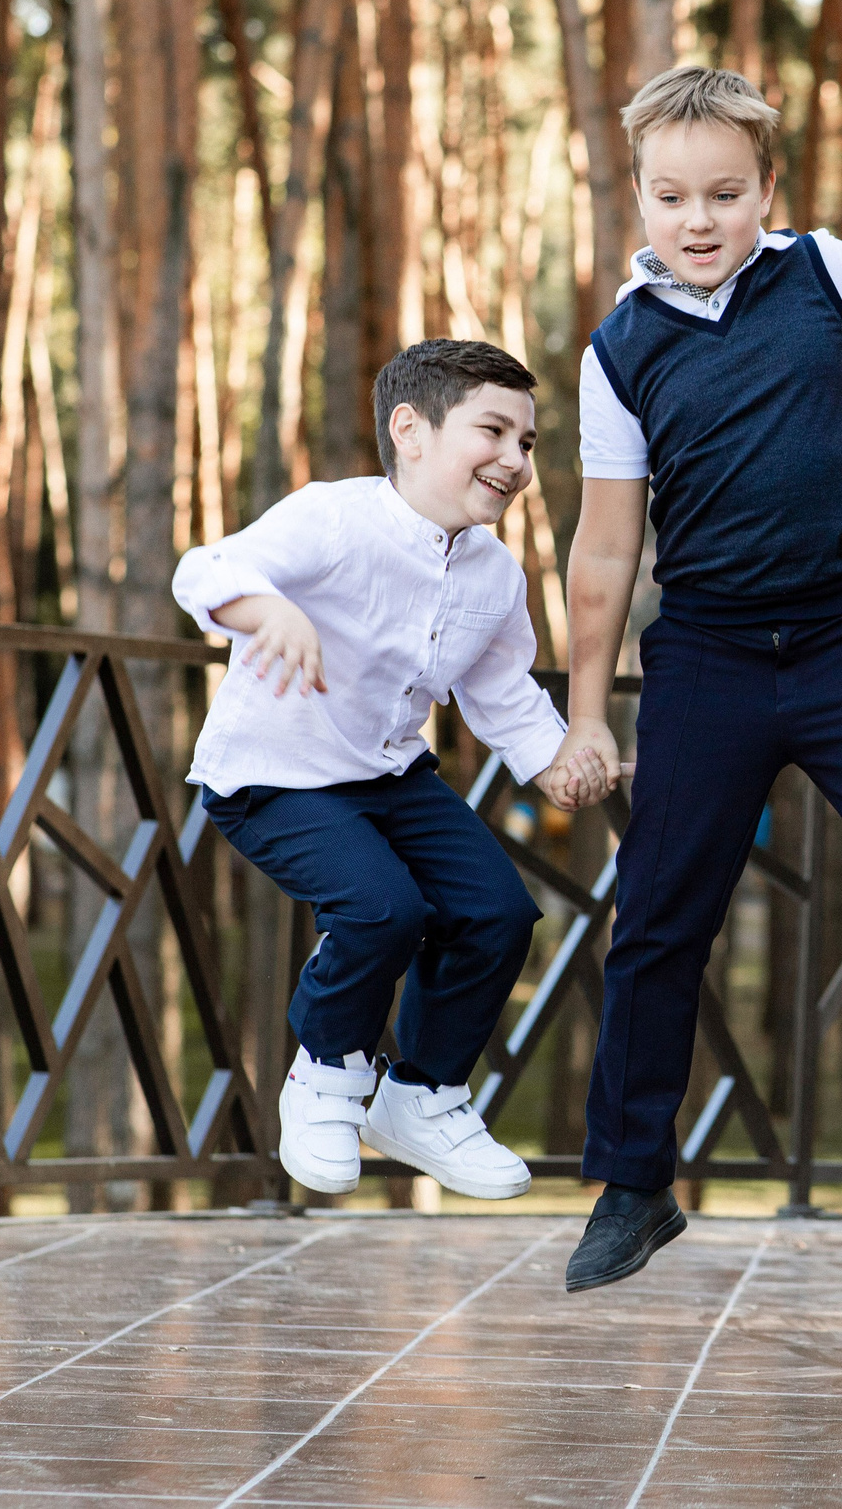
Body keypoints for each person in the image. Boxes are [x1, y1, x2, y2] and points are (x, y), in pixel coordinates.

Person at [548, 65, 842, 1292]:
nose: (699, 220)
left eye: (724, 194)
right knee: (658, 913)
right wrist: (585, 712)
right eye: (672, 197)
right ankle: (632, 1185)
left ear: (766, 188)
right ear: (640, 197)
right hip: (707, 651)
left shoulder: (820, 269)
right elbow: (605, 548)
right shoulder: (620, 348)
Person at [176, 337, 579, 1203]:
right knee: (382, 908)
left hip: (390, 777)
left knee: (498, 911)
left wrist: (557, 760)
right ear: (411, 430)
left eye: (526, 442)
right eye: (492, 432)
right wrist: (269, 608)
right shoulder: (334, 518)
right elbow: (204, 569)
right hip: (273, 776)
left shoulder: (494, 574)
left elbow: (502, 689)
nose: (515, 460)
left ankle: (423, 1097)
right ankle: (325, 1077)